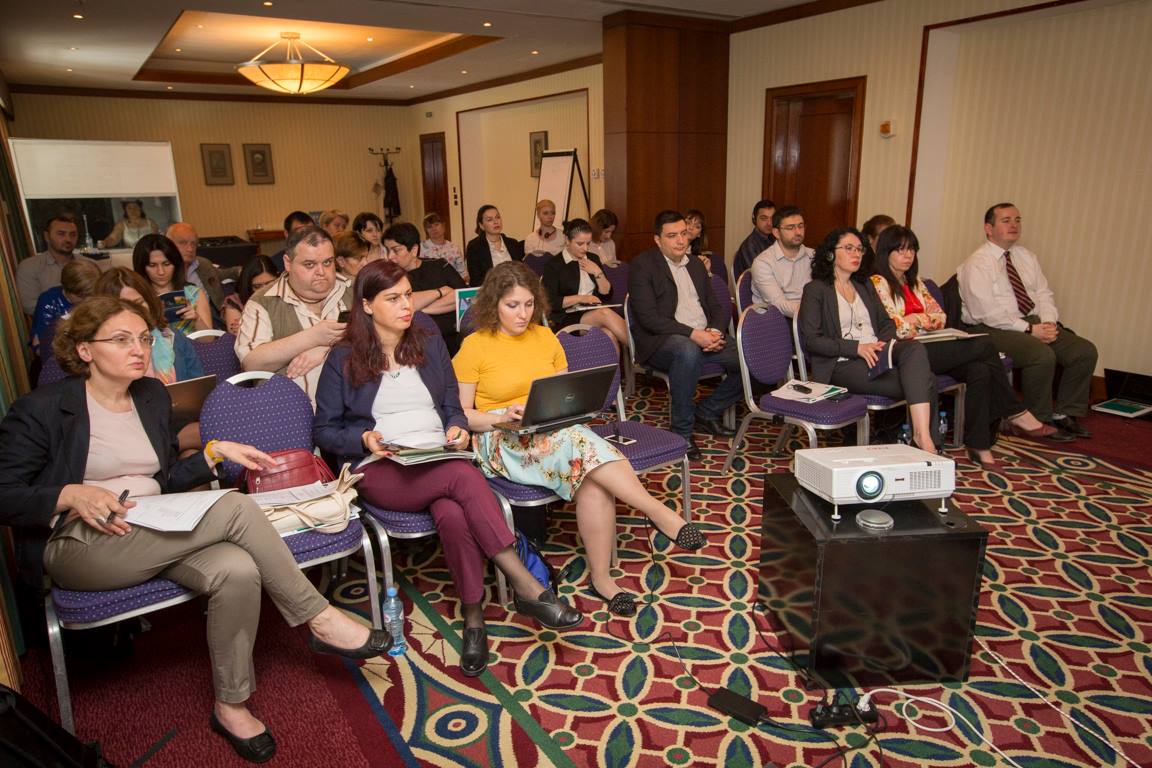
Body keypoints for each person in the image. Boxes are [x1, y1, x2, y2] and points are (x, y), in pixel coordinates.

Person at [0, 296, 391, 764]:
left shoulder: (148, 396)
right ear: (85, 350)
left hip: (153, 523)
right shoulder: (43, 407)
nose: (138, 350)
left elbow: (163, 479)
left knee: (237, 568)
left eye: (143, 339)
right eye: (121, 340)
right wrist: (69, 494)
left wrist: (212, 454)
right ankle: (318, 617)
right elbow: (5, 494)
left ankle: (231, 705)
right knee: (237, 508)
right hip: (84, 542)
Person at [314, 261, 583, 676]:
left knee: (453, 513)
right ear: (366, 305)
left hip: (436, 454)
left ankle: (473, 620)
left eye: (408, 295)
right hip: (381, 465)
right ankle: (526, 585)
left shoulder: (427, 342)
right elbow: (325, 430)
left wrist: (456, 428)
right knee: (462, 477)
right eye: (393, 298)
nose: (407, 305)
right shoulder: (344, 357)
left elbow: (451, 406)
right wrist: (364, 439)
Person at [453, 261, 705, 618]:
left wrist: (564, 411)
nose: (523, 314)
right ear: (494, 304)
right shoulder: (475, 346)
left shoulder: (545, 338)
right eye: (513, 305)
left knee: (591, 475)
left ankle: (602, 580)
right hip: (500, 437)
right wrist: (502, 416)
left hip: (555, 431)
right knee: (583, 448)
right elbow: (462, 414)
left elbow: (563, 392)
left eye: (529, 304)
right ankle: (659, 512)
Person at [870, 226, 1067, 468]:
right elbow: (896, 328)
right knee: (984, 343)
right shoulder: (877, 283)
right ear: (886, 252)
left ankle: (979, 444)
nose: (908, 255)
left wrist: (917, 320)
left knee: (980, 370)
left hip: (931, 344)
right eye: (900, 250)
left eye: (911, 249)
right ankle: (1014, 411)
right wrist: (921, 320)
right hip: (908, 354)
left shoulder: (916, 283)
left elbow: (940, 317)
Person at [958, 203, 1098, 438]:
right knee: (1041, 355)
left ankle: (1065, 413)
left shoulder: (1026, 257)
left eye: (1017, 220)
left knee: (1084, 351)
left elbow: (1043, 293)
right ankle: (1037, 419)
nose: (1014, 225)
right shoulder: (977, 263)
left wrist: (1049, 322)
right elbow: (985, 312)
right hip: (991, 328)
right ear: (988, 229)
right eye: (1006, 221)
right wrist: (1029, 329)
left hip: (1032, 321)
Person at [797, 227, 939, 454]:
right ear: (831, 253)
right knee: (926, 380)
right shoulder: (816, 290)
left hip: (876, 354)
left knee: (914, 348)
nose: (856, 254)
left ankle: (921, 438)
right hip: (841, 364)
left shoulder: (864, 286)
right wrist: (857, 348)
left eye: (860, 249)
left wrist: (880, 346)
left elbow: (887, 325)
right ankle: (926, 444)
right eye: (849, 248)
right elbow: (812, 341)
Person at [627, 211, 742, 460]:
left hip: (703, 334)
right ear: (657, 240)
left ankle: (707, 411)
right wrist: (694, 335)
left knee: (750, 358)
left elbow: (716, 307)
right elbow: (649, 319)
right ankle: (682, 432)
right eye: (672, 236)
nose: (680, 241)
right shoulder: (642, 266)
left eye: (683, 234)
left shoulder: (695, 265)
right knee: (686, 350)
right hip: (661, 340)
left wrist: (714, 331)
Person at [235, 226, 353, 403]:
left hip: (354, 412)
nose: (321, 272)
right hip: (290, 413)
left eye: (328, 262)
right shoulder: (263, 302)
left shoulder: (354, 289)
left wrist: (329, 350)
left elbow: (383, 340)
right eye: (309, 264)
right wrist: (313, 337)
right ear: (288, 263)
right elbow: (251, 363)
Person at [541, 218, 628, 351]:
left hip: (592, 312)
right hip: (565, 317)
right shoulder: (554, 265)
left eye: (588, 243)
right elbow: (551, 302)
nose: (585, 248)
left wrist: (598, 272)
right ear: (567, 240)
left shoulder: (593, 259)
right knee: (605, 313)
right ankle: (640, 351)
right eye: (580, 244)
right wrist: (582, 298)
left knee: (609, 335)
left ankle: (619, 365)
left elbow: (607, 295)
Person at [382, 222, 465, 354]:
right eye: (387, 251)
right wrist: (440, 291)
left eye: (396, 250)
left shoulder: (439, 266)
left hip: (454, 340)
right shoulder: (390, 276)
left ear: (414, 250)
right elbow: (407, 303)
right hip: (416, 346)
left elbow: (463, 298)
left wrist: (420, 309)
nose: (390, 256)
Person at [133, 233, 212, 334]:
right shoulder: (136, 296)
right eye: (152, 265)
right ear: (142, 267)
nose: (161, 272)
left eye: (166, 264)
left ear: (176, 264)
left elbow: (209, 339)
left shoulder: (194, 293)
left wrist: (197, 319)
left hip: (192, 343)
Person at [749, 205, 813, 318]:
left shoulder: (813, 256)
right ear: (776, 233)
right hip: (776, 320)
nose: (798, 232)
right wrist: (813, 312)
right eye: (790, 228)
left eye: (800, 226)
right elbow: (778, 304)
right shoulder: (763, 263)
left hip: (809, 318)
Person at [166, 222, 237, 321]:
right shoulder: (161, 271)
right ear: (168, 244)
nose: (190, 249)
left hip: (213, 323)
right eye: (183, 242)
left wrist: (249, 271)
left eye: (194, 243)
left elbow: (228, 273)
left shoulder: (203, 265)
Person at [30, 259, 101, 357]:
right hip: (58, 354)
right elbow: (39, 344)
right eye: (82, 296)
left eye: (92, 295)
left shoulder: (96, 298)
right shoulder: (49, 301)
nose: (88, 300)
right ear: (67, 289)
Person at [17, 214, 85, 316]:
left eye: (72, 235)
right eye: (61, 234)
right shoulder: (29, 267)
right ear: (47, 236)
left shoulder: (88, 265)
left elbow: (100, 299)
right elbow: (30, 307)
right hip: (50, 324)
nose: (68, 239)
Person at [464, 205, 525, 287]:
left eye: (497, 217)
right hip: (491, 291)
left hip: (515, 288)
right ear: (481, 226)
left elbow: (521, 272)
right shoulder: (474, 247)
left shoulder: (513, 243)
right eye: (490, 219)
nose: (496, 222)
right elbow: (476, 281)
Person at [221, 255, 280, 337]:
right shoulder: (234, 302)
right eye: (257, 286)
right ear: (247, 284)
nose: (264, 290)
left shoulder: (288, 295)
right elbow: (237, 336)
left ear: (278, 278)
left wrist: (251, 328)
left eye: (269, 284)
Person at [732, 199, 776, 282]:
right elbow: (759, 275)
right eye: (764, 218)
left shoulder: (775, 239)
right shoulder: (749, 245)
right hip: (757, 287)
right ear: (754, 219)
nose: (769, 223)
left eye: (772, 218)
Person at [420, 212, 468, 282]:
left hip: (453, 285)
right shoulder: (421, 248)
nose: (434, 229)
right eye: (429, 227)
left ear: (443, 226)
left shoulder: (454, 248)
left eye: (436, 225)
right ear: (426, 231)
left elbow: (463, 275)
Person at [685, 208, 725, 282]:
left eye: (697, 226)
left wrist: (707, 272)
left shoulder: (699, 257)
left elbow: (706, 286)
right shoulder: (671, 251)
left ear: (699, 234)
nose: (691, 228)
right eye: (688, 223)